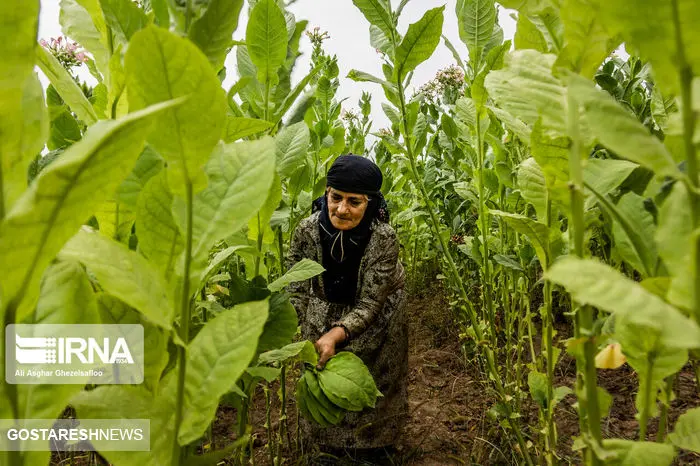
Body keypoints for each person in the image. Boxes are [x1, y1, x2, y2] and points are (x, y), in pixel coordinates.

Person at [286, 154, 408, 464]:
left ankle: (374, 448)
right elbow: (296, 285)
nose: (342, 209)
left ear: (370, 202)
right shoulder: (306, 231)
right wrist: (295, 329)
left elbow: (370, 304)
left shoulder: (383, 238)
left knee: (374, 375)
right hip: (324, 301)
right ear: (326, 192)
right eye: (336, 197)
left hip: (379, 310)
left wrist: (337, 333)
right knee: (321, 370)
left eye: (354, 202)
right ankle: (325, 450)